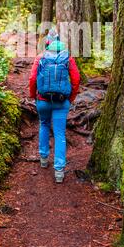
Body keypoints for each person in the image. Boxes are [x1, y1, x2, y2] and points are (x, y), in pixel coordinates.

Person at [29, 31, 81, 183]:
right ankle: (59, 171)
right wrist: (70, 98)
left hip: (43, 100)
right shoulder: (68, 58)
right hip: (61, 102)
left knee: (44, 125)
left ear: (47, 44)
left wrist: (33, 95)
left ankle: (44, 158)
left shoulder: (40, 57)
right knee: (59, 134)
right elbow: (76, 80)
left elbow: (32, 79)